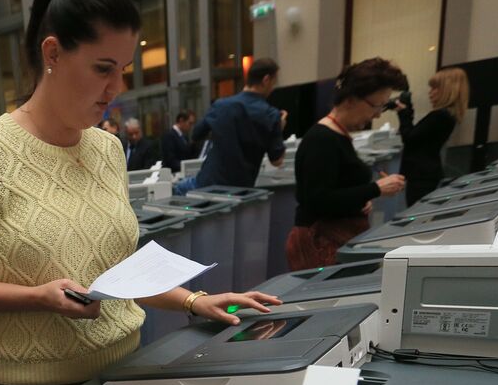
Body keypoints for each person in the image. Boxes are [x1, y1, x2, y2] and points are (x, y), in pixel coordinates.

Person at [0, 0, 280, 385]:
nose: (117, 89)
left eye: (123, 70)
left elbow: (115, 273)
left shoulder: (107, 149)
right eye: (103, 68)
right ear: (53, 53)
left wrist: (193, 301)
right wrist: (36, 298)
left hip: (129, 374)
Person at [286, 57, 409, 271]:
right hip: (321, 243)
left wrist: (359, 199)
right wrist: (375, 189)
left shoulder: (338, 135)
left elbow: (335, 191)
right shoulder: (322, 139)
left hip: (335, 237)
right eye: (376, 105)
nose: (378, 114)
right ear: (350, 100)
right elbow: (318, 200)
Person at [180, 58, 286, 191]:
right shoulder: (271, 115)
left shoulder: (221, 105)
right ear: (266, 80)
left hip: (208, 184)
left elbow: (196, 134)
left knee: (176, 189)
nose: (272, 89)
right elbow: (277, 161)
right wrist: (279, 128)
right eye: (273, 83)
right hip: (241, 190)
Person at [397, 67, 469, 205]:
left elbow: (409, 137)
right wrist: (407, 111)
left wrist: (403, 113)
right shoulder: (447, 116)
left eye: (435, 88)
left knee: (416, 214)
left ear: (446, 90)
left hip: (422, 176)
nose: (430, 93)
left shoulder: (439, 116)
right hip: (427, 173)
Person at [160, 109, 197, 174]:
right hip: (173, 173)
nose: (191, 127)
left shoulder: (184, 137)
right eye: (190, 123)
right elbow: (170, 160)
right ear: (181, 121)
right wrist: (186, 167)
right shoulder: (169, 136)